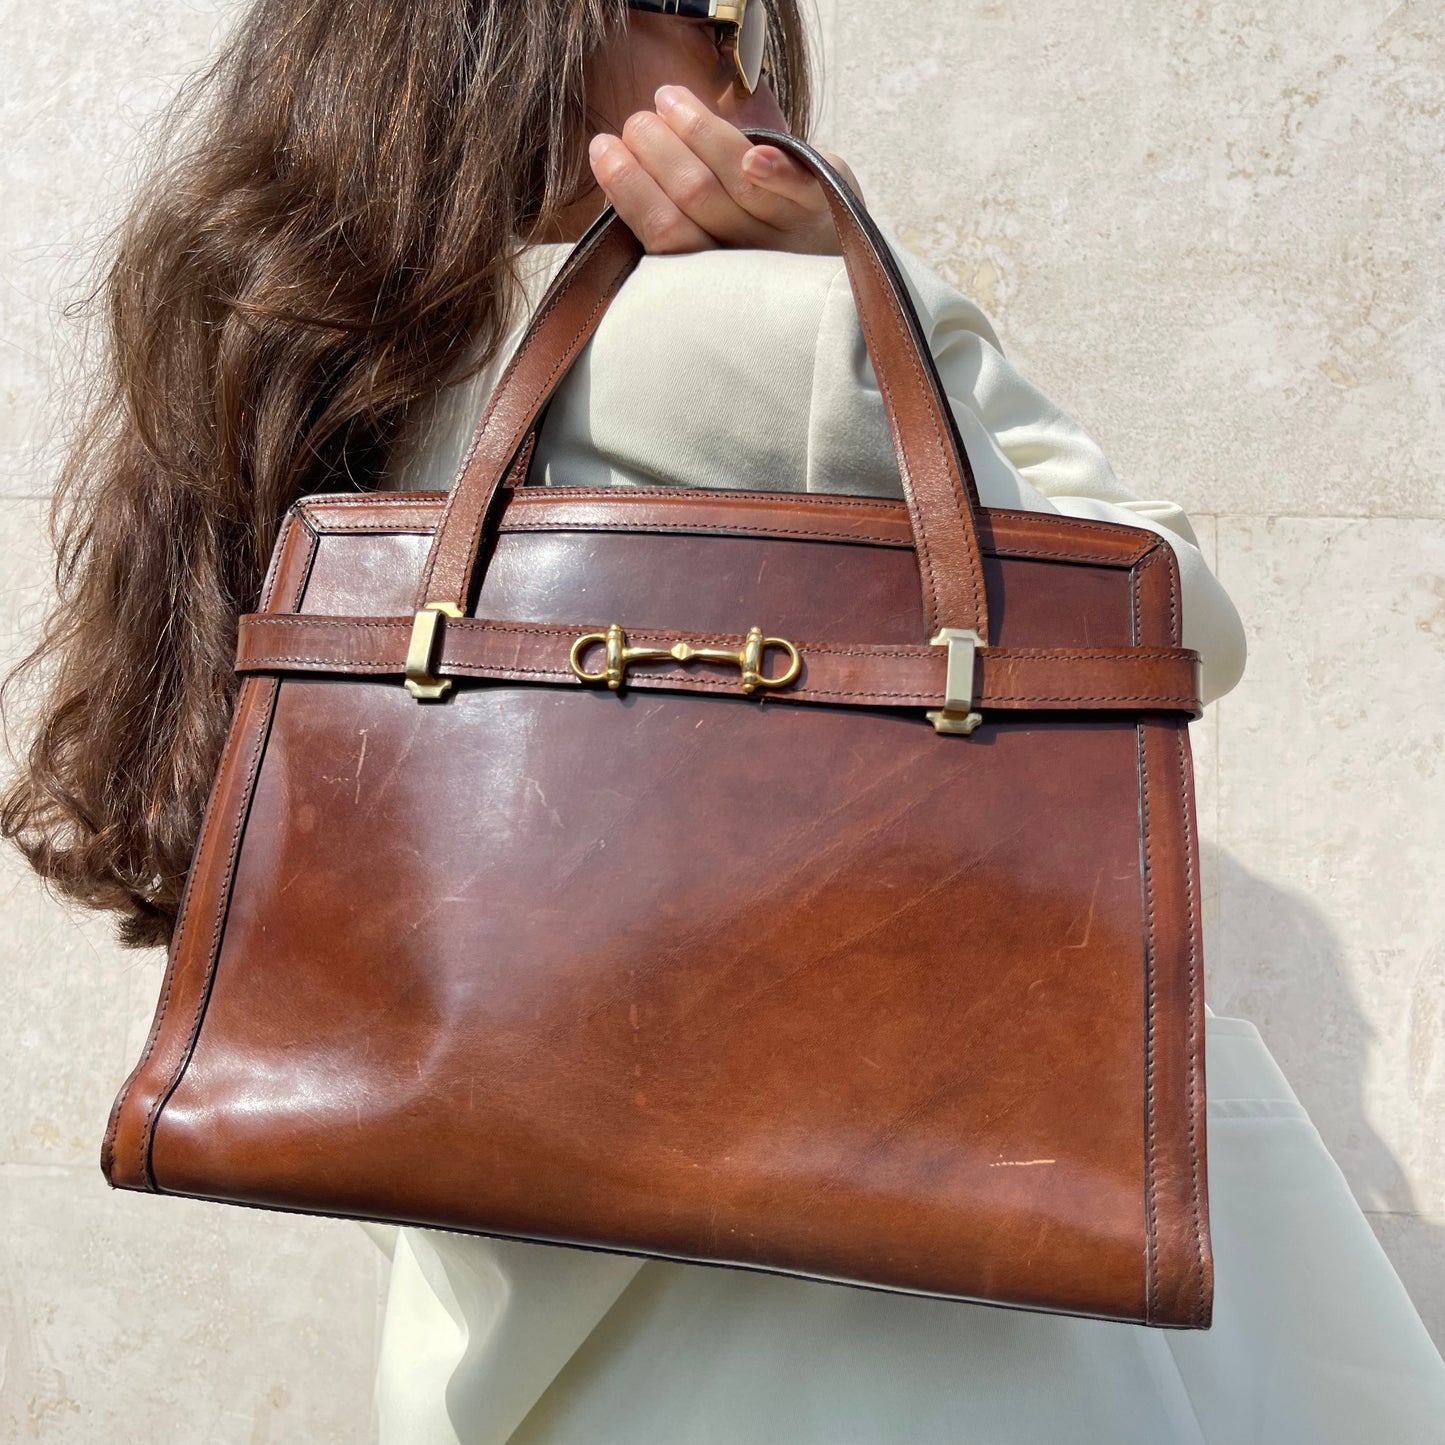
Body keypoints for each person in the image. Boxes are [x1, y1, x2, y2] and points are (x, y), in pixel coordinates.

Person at [3, 3, 1442, 1443]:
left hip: (503, 1370)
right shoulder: (775, 327)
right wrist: (858, 278)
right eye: (719, 15)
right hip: (889, 1361)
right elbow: (1172, 612)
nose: (748, 72)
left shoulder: (292, 355)